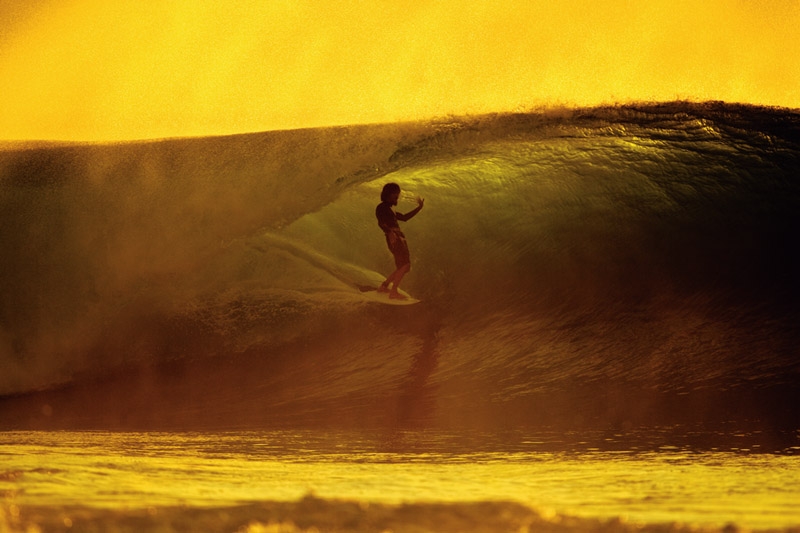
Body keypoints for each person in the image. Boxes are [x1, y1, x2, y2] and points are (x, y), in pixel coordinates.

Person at [375, 182, 424, 299]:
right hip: (395, 238)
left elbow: (404, 218)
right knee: (405, 265)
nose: (397, 196)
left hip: (398, 237)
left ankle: (384, 286)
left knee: (403, 267)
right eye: (395, 194)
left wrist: (419, 207)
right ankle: (393, 292)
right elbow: (380, 222)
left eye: (398, 194)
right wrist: (389, 232)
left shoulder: (390, 209)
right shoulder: (381, 207)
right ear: (388, 194)